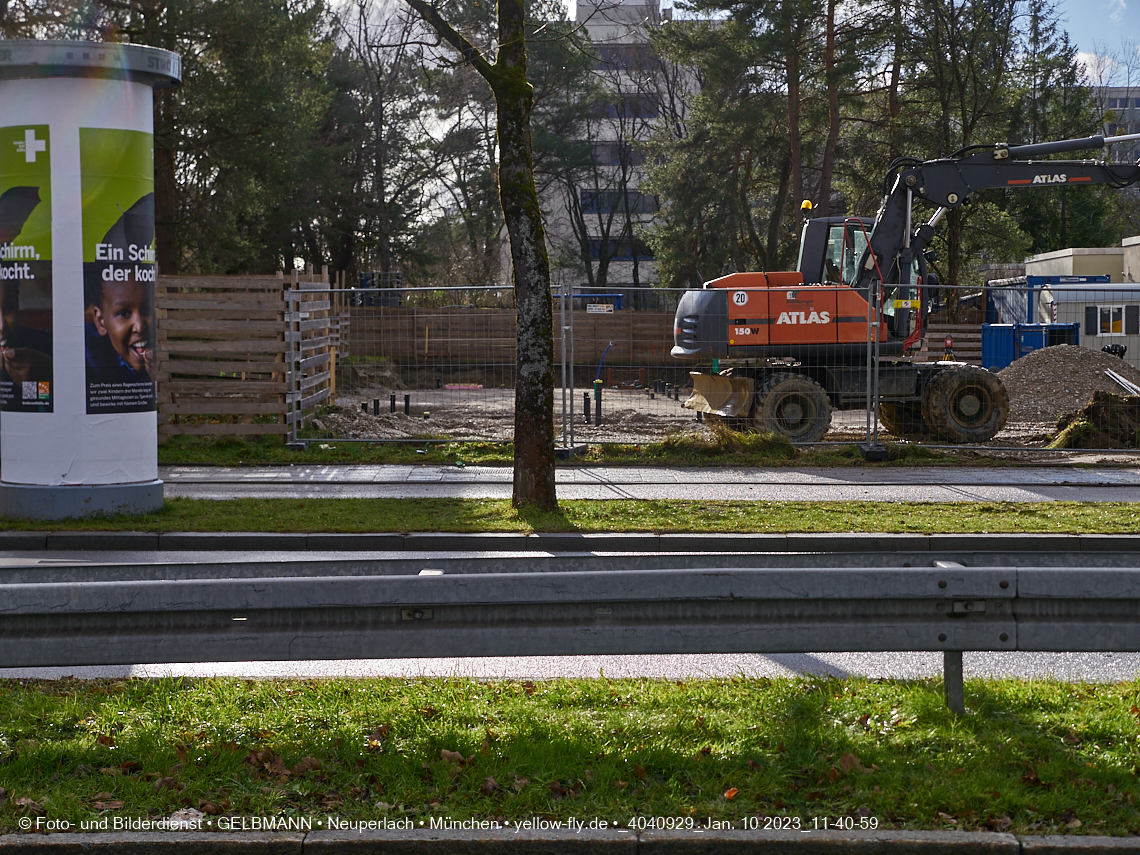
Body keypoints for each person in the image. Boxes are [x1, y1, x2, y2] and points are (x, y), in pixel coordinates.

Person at [87, 276, 155, 384]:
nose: (139, 327)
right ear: (101, 321)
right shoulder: (89, 361)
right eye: (123, 313)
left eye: (147, 309)